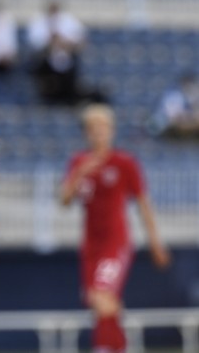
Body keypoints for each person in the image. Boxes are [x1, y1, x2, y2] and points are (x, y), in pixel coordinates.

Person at [59, 104, 170, 352]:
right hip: (91, 244)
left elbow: (143, 205)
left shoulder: (124, 163)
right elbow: (64, 200)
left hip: (115, 241)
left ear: (111, 131)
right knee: (100, 301)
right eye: (93, 129)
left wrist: (155, 243)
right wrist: (78, 175)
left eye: (103, 128)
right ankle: (118, 346)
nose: (98, 133)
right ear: (86, 133)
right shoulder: (79, 162)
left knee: (101, 296)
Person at [27, 0, 86, 106]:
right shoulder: (38, 21)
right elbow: (35, 44)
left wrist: (63, 43)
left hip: (67, 59)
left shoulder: (70, 21)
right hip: (46, 60)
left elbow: (80, 42)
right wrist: (51, 43)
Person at [149, 72, 199, 139]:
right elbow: (172, 118)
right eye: (187, 85)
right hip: (173, 131)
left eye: (191, 85)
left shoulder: (195, 96)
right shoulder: (173, 97)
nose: (189, 88)